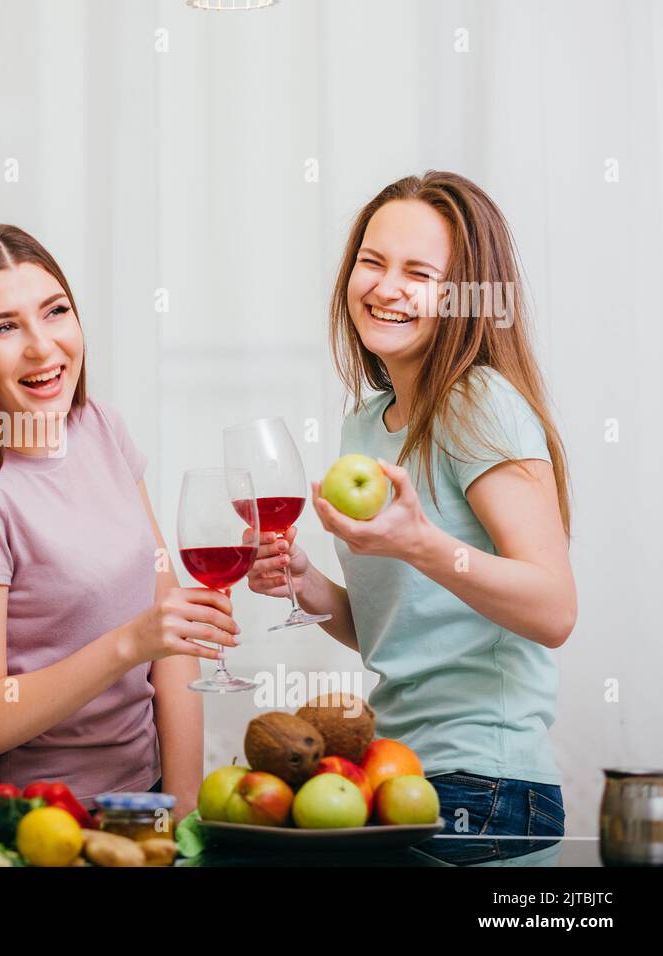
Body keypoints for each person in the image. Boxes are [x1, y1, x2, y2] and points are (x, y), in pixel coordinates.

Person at [247, 171, 574, 846]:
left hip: (487, 784)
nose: (386, 287)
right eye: (372, 262)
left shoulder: (476, 400)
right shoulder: (368, 426)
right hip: (397, 770)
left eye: (418, 273)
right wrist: (308, 584)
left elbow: (553, 609)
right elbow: (398, 633)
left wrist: (420, 542)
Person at [0, 224, 238, 816]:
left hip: (144, 804)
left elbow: (172, 634)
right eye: (4, 328)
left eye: (55, 312)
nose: (42, 347)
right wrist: (129, 642)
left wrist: (181, 815)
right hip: (43, 823)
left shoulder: (100, 428)